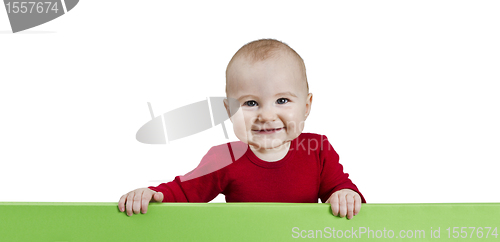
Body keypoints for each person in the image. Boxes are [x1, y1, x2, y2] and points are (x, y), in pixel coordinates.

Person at [118, 38, 366, 219]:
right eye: (250, 103)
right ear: (229, 111)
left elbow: (344, 192)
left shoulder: (318, 151)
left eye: (282, 100)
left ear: (306, 106)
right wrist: (151, 194)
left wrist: (345, 195)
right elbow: (183, 192)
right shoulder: (224, 158)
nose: (266, 115)